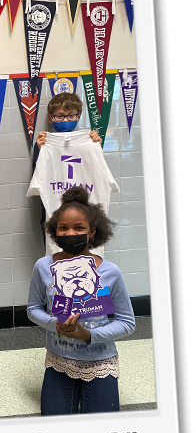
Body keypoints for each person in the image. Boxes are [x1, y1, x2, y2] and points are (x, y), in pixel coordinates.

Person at [26, 185, 136, 415]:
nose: (70, 233)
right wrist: (55, 324)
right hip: (60, 358)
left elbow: (127, 322)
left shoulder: (110, 272)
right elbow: (33, 308)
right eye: (63, 228)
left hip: (100, 360)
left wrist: (88, 335)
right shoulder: (44, 267)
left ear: (92, 232)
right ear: (54, 231)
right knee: (54, 421)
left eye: (79, 228)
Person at [33, 92, 103, 246]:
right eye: (60, 115)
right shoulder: (44, 144)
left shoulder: (90, 142)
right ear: (51, 118)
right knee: (56, 254)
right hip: (54, 208)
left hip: (84, 210)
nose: (65, 120)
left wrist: (96, 147)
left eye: (71, 115)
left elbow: (98, 173)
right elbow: (37, 176)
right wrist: (40, 149)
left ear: (78, 117)